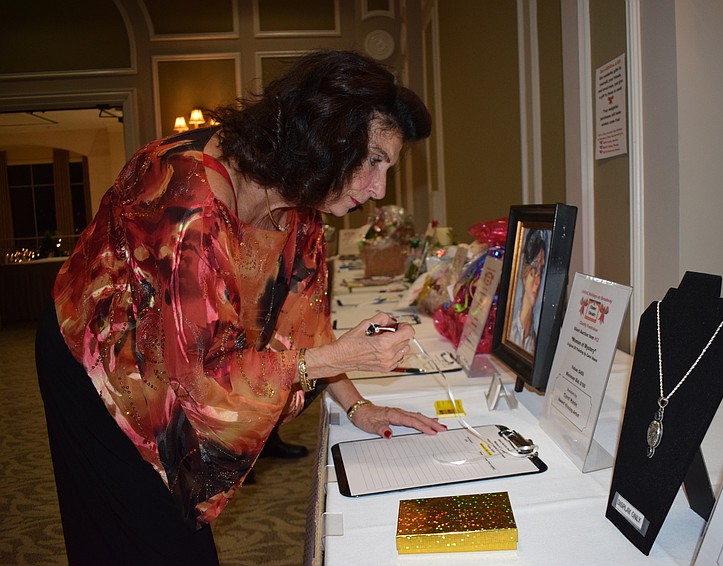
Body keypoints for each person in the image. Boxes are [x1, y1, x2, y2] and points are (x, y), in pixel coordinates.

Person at [35, 49, 445, 565]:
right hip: (100, 358)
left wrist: (360, 405)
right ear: (323, 137)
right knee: (140, 528)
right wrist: (338, 359)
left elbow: (304, 321)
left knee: (169, 531)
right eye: (374, 161)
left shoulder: (299, 198)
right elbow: (201, 380)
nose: (379, 188)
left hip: (181, 358)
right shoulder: (187, 196)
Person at [508, 229, 549, 354]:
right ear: (524, 276)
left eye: (540, 272)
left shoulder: (534, 339)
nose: (537, 282)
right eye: (533, 271)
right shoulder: (510, 333)